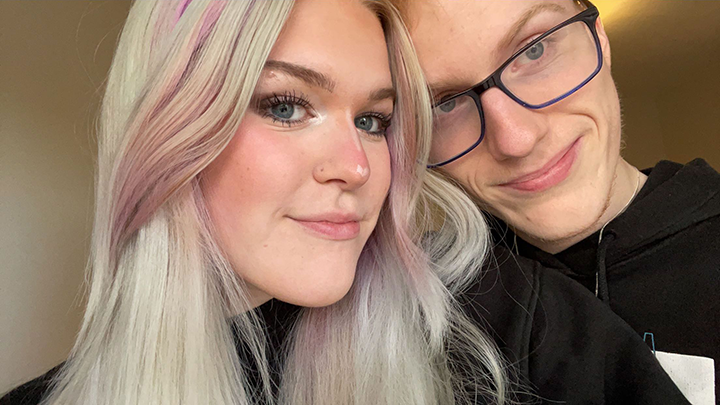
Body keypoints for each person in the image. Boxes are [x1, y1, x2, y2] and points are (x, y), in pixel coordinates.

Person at [0, 0, 510, 404]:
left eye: (372, 121)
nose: (358, 168)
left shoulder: (479, 347)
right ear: (168, 132)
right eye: (285, 107)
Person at [396, 0, 719, 402]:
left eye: (535, 50)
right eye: (445, 103)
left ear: (598, 36)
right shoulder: (423, 313)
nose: (516, 140)